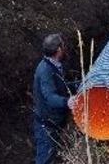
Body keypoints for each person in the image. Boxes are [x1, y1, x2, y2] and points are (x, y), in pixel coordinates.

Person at [32, 33, 75, 164]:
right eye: (63, 46)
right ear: (59, 50)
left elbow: (61, 86)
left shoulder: (55, 65)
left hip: (54, 122)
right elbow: (50, 97)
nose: (65, 48)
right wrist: (67, 101)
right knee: (45, 159)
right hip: (47, 125)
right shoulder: (45, 70)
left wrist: (79, 84)